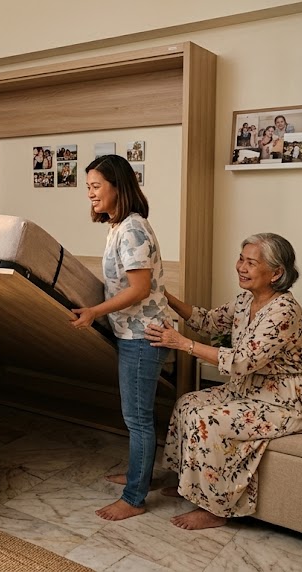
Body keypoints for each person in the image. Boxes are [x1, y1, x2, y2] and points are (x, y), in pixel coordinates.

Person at [144, 233, 302, 530]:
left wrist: (181, 343)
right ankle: (191, 484)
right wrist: (166, 297)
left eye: (251, 263)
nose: (241, 266)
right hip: (252, 391)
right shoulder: (245, 301)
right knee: (187, 402)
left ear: (276, 273)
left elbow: (241, 361)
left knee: (209, 420)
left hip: (290, 402)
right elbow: (207, 321)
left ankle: (217, 508)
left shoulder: (284, 312)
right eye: (241, 258)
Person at [70, 154, 172, 521]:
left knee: (139, 419)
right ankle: (136, 475)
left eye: (96, 187)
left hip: (143, 336)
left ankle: (134, 497)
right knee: (136, 416)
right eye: (89, 188)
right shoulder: (119, 226)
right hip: (132, 332)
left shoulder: (132, 229)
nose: (91, 194)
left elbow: (140, 289)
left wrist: (96, 311)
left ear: (118, 187)